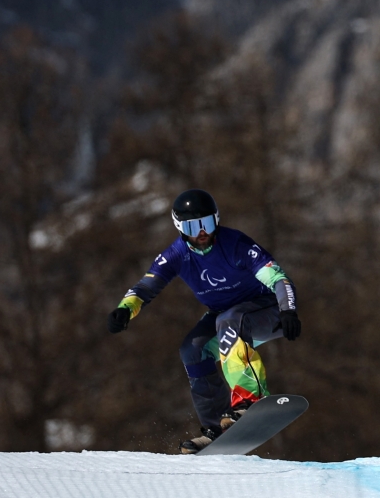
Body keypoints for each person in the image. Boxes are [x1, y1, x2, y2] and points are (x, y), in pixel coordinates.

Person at [107, 189, 301, 453]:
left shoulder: (235, 244)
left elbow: (278, 278)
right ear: (179, 227)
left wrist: (288, 309)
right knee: (193, 350)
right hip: (225, 315)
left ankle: (249, 398)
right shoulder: (176, 255)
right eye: (192, 226)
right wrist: (125, 309)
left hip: (269, 309)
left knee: (230, 321)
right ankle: (218, 425)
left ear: (217, 219)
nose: (201, 232)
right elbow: (144, 288)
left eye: (207, 223)